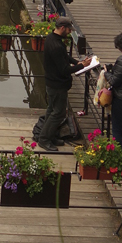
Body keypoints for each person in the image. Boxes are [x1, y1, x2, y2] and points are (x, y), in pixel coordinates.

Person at [35, 16, 83, 151]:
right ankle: (44, 139)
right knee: (59, 113)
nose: (69, 32)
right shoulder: (56, 45)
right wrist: (81, 66)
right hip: (57, 84)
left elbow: (64, 57)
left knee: (51, 110)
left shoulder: (52, 38)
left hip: (52, 82)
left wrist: (76, 62)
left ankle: (48, 135)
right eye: (68, 30)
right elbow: (64, 70)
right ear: (62, 28)